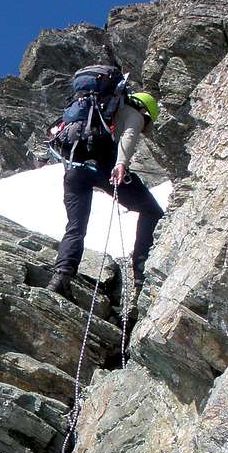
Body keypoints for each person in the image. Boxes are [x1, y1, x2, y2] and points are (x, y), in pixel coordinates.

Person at [48, 74, 163, 302]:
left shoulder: (89, 110)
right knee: (152, 211)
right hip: (105, 168)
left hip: (74, 168)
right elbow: (129, 135)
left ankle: (61, 277)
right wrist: (121, 163)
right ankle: (140, 273)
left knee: (75, 226)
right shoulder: (133, 112)